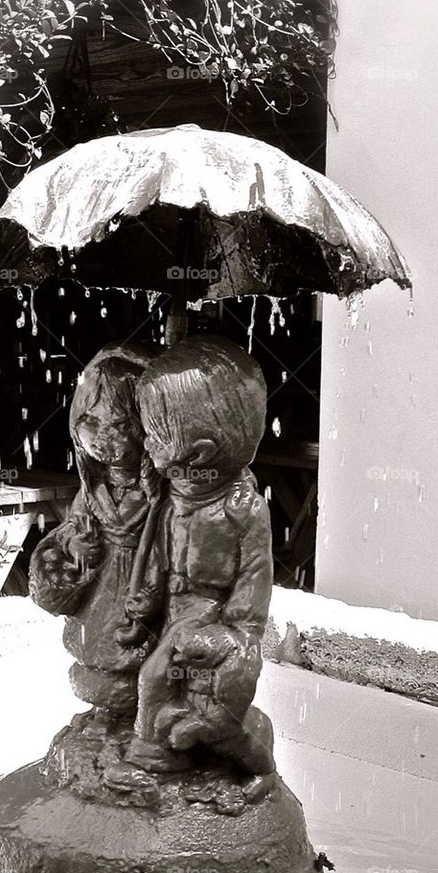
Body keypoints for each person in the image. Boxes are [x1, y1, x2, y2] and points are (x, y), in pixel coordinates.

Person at [106, 334, 276, 789]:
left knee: (155, 677)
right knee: (141, 672)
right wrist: (146, 597)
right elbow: (155, 554)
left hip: (207, 624)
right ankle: (170, 740)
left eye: (155, 436)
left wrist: (232, 636)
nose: (144, 442)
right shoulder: (171, 496)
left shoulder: (242, 512)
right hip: (173, 616)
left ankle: (152, 757)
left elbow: (252, 593)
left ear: (197, 453)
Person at [29, 340, 159, 721]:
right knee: (97, 674)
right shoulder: (93, 490)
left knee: (151, 673)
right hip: (100, 597)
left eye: (119, 424)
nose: (104, 438)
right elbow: (72, 527)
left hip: (144, 592)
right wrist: (75, 544)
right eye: (93, 422)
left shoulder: (160, 490)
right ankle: (110, 717)